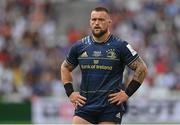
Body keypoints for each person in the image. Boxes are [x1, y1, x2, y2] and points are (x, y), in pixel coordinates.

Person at [60, 7, 148, 124]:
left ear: (109, 22)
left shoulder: (120, 46)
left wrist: (127, 93)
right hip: (85, 106)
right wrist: (70, 92)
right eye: (94, 19)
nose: (97, 23)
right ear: (90, 22)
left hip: (110, 108)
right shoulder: (79, 46)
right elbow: (65, 67)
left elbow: (141, 68)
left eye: (101, 20)